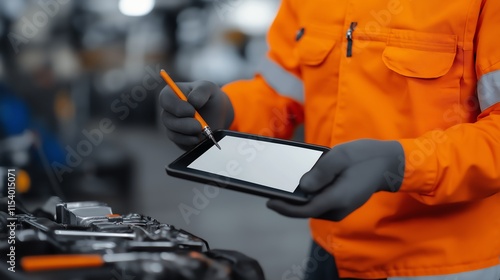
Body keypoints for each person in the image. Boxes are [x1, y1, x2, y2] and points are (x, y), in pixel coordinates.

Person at [159, 0, 500, 279]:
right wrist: (230, 111)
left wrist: (403, 164)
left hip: (446, 266)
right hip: (329, 255)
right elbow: (283, 90)